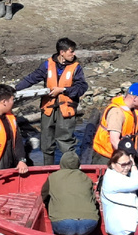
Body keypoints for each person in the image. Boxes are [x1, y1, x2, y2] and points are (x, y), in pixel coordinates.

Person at [15, 37, 88, 166]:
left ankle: (70, 169)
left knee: (65, 141)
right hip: (48, 109)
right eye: (71, 51)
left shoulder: (76, 68)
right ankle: (48, 169)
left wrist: (63, 90)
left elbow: (82, 87)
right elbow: (32, 78)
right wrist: (15, 89)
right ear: (62, 52)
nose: (74, 54)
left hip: (66, 109)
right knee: (46, 141)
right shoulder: (48, 64)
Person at [86, 83, 138, 165]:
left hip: (123, 154)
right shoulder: (117, 112)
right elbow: (114, 140)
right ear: (135, 98)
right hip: (106, 157)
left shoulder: (133, 111)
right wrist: (128, 159)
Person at [41, 152, 98, 235]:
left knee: (62, 226)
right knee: (81, 230)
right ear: (78, 164)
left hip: (63, 224)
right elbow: (93, 200)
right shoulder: (86, 178)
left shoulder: (53, 177)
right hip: (89, 223)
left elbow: (44, 195)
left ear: (61, 163)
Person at [99, 148, 138, 235]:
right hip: (122, 229)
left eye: (129, 163)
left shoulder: (119, 174)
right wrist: (134, 166)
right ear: (113, 165)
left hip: (127, 224)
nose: (127, 167)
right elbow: (137, 183)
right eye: (123, 165)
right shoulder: (112, 179)